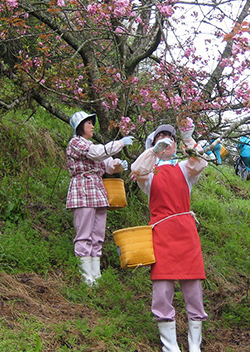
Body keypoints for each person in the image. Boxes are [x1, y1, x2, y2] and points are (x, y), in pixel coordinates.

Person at [131, 120, 208, 352]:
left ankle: (195, 345)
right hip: (161, 233)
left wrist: (187, 138)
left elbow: (200, 162)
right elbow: (137, 170)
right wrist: (153, 152)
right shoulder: (149, 174)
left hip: (186, 232)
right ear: (152, 144)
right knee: (162, 290)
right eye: (160, 138)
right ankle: (170, 346)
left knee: (193, 289)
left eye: (170, 139)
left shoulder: (185, 168)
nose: (167, 142)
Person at [66, 111, 134, 286]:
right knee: (84, 234)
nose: (92, 126)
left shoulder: (90, 145)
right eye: (89, 123)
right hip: (83, 189)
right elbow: (97, 154)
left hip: (97, 190)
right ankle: (85, 275)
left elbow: (106, 165)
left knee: (97, 235)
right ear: (80, 125)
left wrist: (117, 165)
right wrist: (119, 143)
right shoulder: (76, 143)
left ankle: (95, 275)